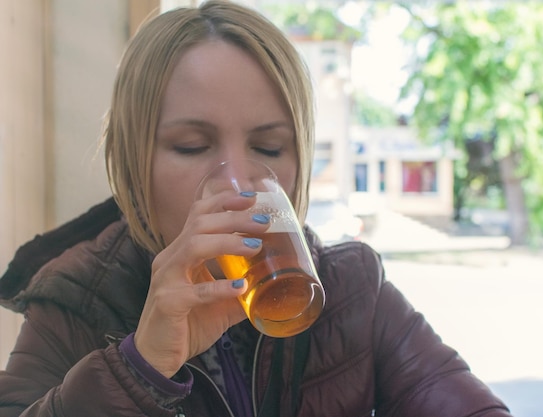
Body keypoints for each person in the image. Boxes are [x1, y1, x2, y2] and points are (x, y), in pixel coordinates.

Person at [0, 1, 513, 416]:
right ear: (134, 160)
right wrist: (140, 367)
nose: (241, 182)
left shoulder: (352, 287)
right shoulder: (73, 301)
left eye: (269, 149)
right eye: (191, 146)